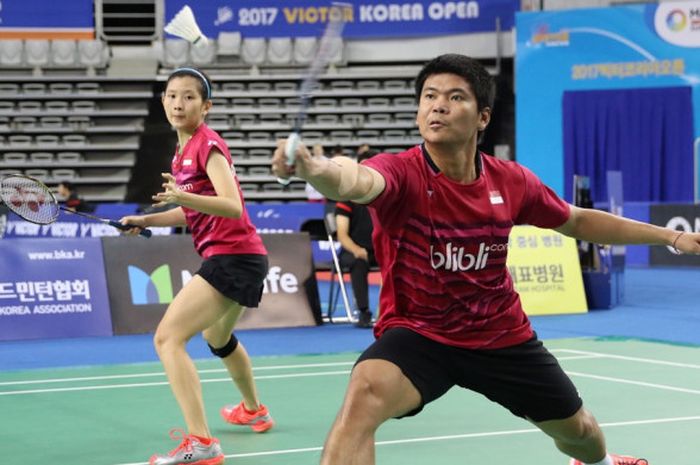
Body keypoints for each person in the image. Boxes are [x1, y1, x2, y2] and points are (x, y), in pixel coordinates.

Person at [272, 54, 700, 465]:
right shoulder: (401, 173)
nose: (438, 105)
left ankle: (601, 462)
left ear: (483, 117)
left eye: (455, 96)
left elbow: (578, 221)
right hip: (420, 334)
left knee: (580, 432)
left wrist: (673, 237)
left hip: (500, 336)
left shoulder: (511, 181)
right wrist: (312, 166)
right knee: (364, 393)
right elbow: (355, 177)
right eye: (429, 96)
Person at [120, 67, 274, 465]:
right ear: (162, 101)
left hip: (233, 256)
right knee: (218, 339)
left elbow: (231, 205)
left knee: (167, 339)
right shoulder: (183, 149)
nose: (178, 103)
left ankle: (202, 443)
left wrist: (183, 198)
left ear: (205, 107)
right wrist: (146, 220)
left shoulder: (207, 145)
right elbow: (193, 214)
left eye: (189, 97)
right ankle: (254, 409)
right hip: (244, 255)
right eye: (172, 95)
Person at [335, 150, 378, 329]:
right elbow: (342, 234)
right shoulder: (347, 197)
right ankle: (364, 311)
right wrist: (356, 249)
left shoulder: (383, 196)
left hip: (378, 249)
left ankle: (392, 311)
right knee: (358, 262)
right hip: (353, 249)